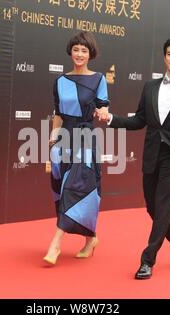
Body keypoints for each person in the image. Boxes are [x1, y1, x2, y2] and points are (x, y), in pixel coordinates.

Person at [98, 37, 170, 279]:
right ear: (164, 57)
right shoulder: (149, 87)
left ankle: (147, 260)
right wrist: (110, 119)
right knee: (152, 207)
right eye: (169, 53)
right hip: (151, 154)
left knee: (162, 208)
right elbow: (139, 120)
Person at [43, 31, 110, 265]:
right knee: (62, 189)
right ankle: (91, 238)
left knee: (76, 186)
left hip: (85, 138)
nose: (79, 54)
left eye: (84, 50)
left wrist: (103, 112)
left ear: (90, 54)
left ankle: (55, 244)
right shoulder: (60, 82)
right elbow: (58, 116)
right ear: (70, 52)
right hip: (63, 139)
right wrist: (50, 145)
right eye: (76, 49)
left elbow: (104, 108)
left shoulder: (99, 79)